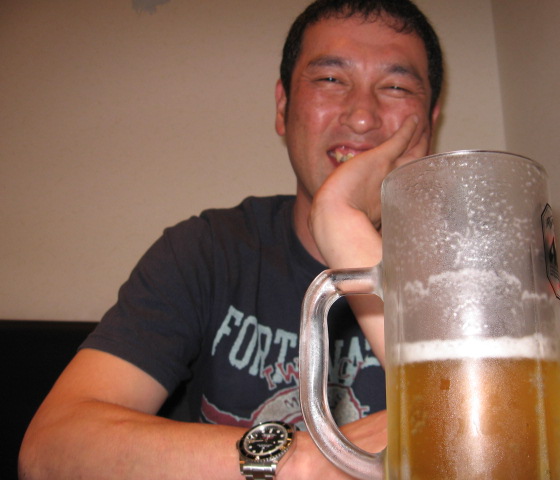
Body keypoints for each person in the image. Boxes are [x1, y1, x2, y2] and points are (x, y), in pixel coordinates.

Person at [18, 0, 442, 478]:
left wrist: (342, 223)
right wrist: (310, 460)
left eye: (396, 87)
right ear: (283, 106)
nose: (362, 116)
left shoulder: (476, 266)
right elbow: (50, 447)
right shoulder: (206, 251)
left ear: (431, 119)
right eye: (330, 79)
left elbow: (479, 421)